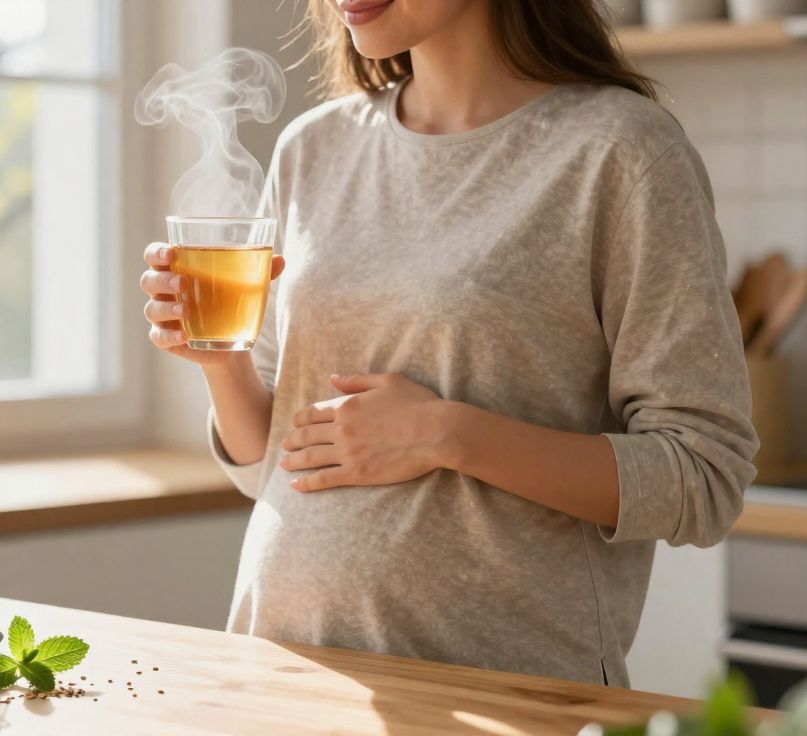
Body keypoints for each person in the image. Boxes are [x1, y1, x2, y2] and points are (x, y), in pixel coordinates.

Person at [139, 0, 757, 687]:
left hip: (499, 694)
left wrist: (446, 434)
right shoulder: (312, 148)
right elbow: (276, 466)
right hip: (280, 673)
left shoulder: (620, 151)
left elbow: (701, 477)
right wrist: (222, 365)